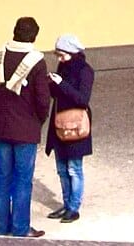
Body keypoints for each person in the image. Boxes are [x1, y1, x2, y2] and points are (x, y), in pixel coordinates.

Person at [0, 16, 51, 239]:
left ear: (14, 31)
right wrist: (39, 121)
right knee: (23, 180)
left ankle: (1, 225)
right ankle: (21, 228)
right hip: (26, 129)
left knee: (3, 177)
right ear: (34, 36)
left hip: (1, 126)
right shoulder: (37, 61)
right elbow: (42, 99)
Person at [44, 33, 94, 223]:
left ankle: (74, 208)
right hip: (59, 125)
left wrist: (61, 83)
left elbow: (82, 99)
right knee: (62, 169)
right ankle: (66, 205)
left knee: (74, 169)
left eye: (62, 55)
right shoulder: (63, 68)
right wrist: (51, 83)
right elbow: (56, 94)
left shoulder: (85, 71)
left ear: (72, 52)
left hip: (76, 127)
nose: (59, 59)